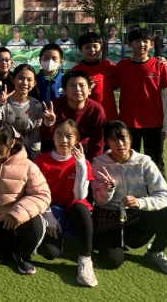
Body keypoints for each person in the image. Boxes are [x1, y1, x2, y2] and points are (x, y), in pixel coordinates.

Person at [92, 120, 167, 276]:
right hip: (109, 218)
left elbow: (166, 197)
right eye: (113, 139)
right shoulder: (99, 163)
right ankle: (110, 243)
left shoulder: (144, 162)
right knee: (113, 261)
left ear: (130, 138)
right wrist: (108, 189)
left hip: (136, 214)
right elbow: (100, 201)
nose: (120, 143)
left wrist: (140, 202)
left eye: (123, 138)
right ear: (107, 142)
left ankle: (155, 252)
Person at [0, 120, 50, 276]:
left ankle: (22, 253)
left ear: (12, 142)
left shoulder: (28, 165)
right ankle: (7, 244)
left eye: (0, 142)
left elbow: (42, 194)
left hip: (16, 218)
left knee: (35, 223)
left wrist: (17, 213)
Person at [35, 119, 97, 286]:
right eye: (59, 135)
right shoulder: (41, 160)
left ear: (76, 140)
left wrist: (81, 165)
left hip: (73, 209)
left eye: (69, 136)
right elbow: (36, 193)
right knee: (50, 253)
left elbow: (80, 195)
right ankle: (61, 237)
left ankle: (85, 259)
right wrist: (49, 217)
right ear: (52, 137)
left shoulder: (83, 163)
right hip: (49, 210)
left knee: (81, 208)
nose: (64, 140)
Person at [114, 28, 167, 176]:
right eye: (137, 41)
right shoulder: (122, 66)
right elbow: (109, 86)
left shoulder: (159, 66)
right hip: (128, 122)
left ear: (151, 44)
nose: (141, 44)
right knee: (128, 160)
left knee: (155, 162)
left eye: (145, 41)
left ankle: (158, 190)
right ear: (129, 44)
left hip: (154, 123)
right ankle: (130, 188)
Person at [40, 71, 107, 160]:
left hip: (81, 147)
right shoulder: (53, 107)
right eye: (72, 85)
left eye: (82, 85)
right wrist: (48, 123)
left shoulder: (97, 110)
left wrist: (93, 163)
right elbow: (45, 136)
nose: (77, 89)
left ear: (89, 90)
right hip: (56, 147)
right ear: (65, 90)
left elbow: (98, 142)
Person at [0, 64, 44, 159]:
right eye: (21, 78)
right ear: (13, 79)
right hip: (4, 149)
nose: (25, 83)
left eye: (29, 80)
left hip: (27, 152)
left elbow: (35, 136)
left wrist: (35, 159)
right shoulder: (1, 101)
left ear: (34, 83)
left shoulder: (36, 105)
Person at [72, 32, 118, 121]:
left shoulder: (109, 66)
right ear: (81, 50)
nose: (92, 50)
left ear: (101, 48)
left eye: (95, 46)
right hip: (86, 117)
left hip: (109, 115)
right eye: (87, 47)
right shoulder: (75, 71)